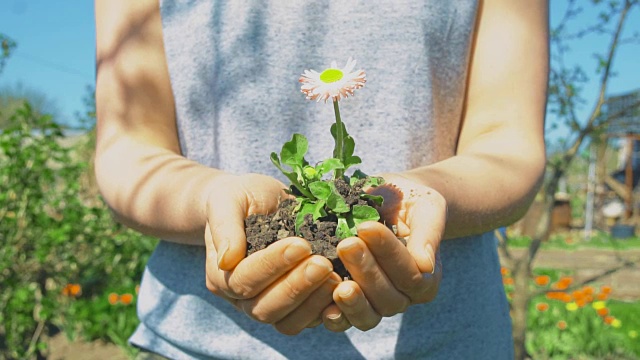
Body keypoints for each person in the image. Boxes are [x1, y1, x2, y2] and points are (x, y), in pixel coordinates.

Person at [93, 0, 548, 358]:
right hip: (197, 344)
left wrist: (419, 199)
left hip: (445, 343)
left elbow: (507, 143)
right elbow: (129, 146)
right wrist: (211, 203)